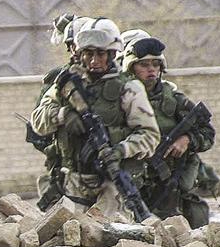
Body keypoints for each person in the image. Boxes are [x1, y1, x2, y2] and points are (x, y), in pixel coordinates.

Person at [31, 18, 160, 221]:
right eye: (89, 53)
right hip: (73, 182)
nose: (94, 60)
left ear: (112, 54)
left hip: (111, 184)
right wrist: (64, 115)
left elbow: (149, 135)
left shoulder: (128, 88)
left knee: (109, 240)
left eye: (100, 54)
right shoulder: (66, 84)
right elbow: (38, 121)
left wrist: (121, 150)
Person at [122, 35, 215, 227]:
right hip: (131, 187)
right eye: (144, 64)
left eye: (155, 64)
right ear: (131, 67)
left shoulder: (173, 99)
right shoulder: (121, 99)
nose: (151, 69)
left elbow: (207, 132)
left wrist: (187, 139)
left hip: (169, 188)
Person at [31, 14, 91, 211]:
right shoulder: (60, 80)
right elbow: (38, 125)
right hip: (70, 172)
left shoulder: (120, 82)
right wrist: (63, 116)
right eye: (76, 46)